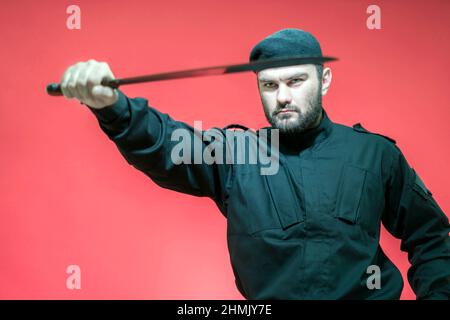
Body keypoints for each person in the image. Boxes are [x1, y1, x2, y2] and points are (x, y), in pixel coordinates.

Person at [59, 28, 450, 299]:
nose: (282, 96)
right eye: (269, 84)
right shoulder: (235, 155)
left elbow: (432, 238)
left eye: (296, 81)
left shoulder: (374, 155)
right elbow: (166, 146)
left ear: (324, 80)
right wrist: (112, 106)